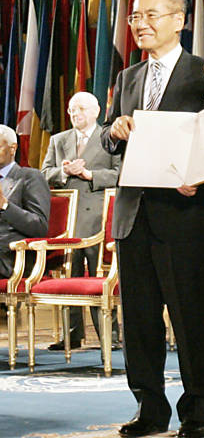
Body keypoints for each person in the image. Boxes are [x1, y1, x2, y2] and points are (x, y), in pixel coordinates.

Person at [101, 0, 204, 438]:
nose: (141, 24)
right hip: (133, 214)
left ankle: (200, 412)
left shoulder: (202, 74)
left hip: (185, 215)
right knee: (139, 321)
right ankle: (149, 409)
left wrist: (201, 174)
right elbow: (107, 138)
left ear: (179, 20)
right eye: (135, 16)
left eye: (151, 15)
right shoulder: (129, 76)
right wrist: (114, 129)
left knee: (190, 319)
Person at [41, 91, 121, 351]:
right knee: (69, 277)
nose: (75, 113)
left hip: (99, 220)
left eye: (80, 109)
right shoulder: (58, 140)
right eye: (71, 109)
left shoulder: (109, 139)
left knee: (99, 278)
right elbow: (44, 173)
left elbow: (121, 174)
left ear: (96, 111)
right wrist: (64, 171)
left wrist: (90, 174)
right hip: (68, 223)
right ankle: (72, 334)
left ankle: (110, 335)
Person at [0, 124, 49, 279]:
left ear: (12, 148)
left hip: (12, 256)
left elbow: (39, 227)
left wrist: (5, 205)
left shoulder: (29, 176)